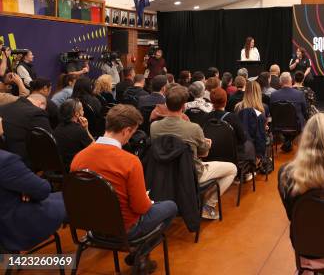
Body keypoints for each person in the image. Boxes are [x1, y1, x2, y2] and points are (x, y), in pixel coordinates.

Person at [71, 105, 178, 271]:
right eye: (134, 132)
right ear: (127, 131)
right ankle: (140, 253)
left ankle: (139, 254)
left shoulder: (78, 158)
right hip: (125, 229)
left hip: (92, 226)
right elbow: (140, 207)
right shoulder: (129, 162)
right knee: (170, 206)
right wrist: (148, 201)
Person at [150, 86, 237, 220]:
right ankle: (208, 205)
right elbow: (204, 154)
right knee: (232, 169)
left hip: (165, 174)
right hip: (191, 173)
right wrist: (206, 144)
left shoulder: (154, 127)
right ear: (183, 106)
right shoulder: (193, 128)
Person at [0, 139, 66, 252]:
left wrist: (22, 188)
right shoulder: (5, 161)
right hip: (16, 229)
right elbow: (43, 190)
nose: (2, 120)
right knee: (75, 199)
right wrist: (26, 189)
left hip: (6, 221)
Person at [202, 87, 255, 163]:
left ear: (212, 101)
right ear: (225, 101)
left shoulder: (205, 117)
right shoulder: (233, 117)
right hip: (230, 158)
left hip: (210, 155)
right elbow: (242, 138)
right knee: (249, 143)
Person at [0, 93, 52, 166]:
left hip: (3, 157)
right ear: (41, 104)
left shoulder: (2, 108)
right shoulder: (37, 113)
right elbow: (49, 143)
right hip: (23, 163)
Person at [270, 72, 307, 152]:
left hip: (278, 125)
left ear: (280, 82)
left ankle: (287, 141)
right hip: (296, 126)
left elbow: (271, 112)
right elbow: (305, 112)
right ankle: (289, 141)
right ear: (291, 81)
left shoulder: (273, 95)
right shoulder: (299, 94)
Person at [54, 99, 94, 168]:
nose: (83, 112)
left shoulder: (57, 128)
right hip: (75, 168)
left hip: (61, 166)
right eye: (82, 110)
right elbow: (94, 148)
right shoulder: (79, 130)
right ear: (77, 114)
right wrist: (86, 129)